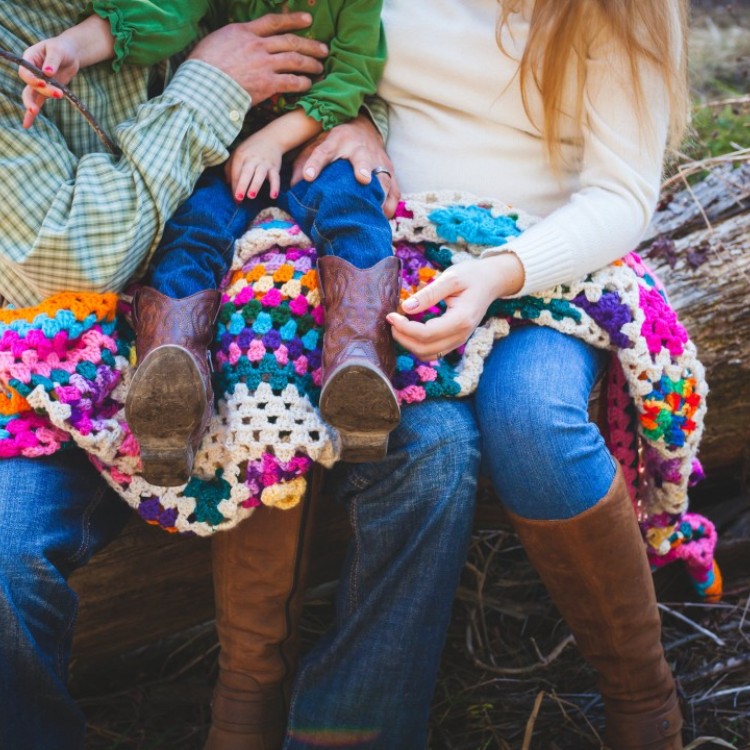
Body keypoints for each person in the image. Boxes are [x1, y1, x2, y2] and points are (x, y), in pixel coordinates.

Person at [276, 0, 690, 748]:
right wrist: (359, 116)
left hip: (545, 267)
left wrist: (502, 273)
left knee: (531, 417)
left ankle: (642, 698)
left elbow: (622, 193)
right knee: (426, 442)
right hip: (393, 250)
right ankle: (352, 733)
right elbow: (336, 46)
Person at [22, 0, 399, 489]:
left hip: (313, 139)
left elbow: (354, 74)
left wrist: (275, 140)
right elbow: (162, 15)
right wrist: (73, 47)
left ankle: (361, 362)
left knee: (352, 207)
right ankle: (170, 388)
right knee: (193, 228)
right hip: (228, 144)